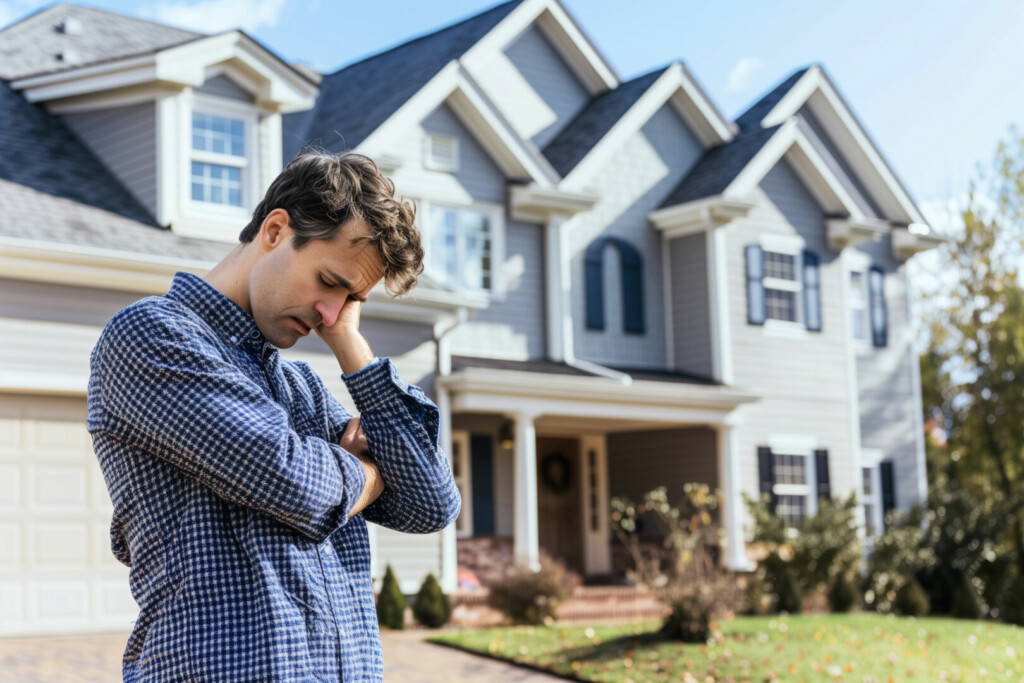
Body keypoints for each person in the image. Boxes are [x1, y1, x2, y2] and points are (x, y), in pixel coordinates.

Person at [86, 151, 461, 681]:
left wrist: (351, 347)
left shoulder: (300, 387)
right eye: (329, 281)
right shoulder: (151, 335)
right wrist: (372, 475)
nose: (332, 311)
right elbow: (296, 483)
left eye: (353, 299)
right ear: (276, 229)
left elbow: (432, 504)